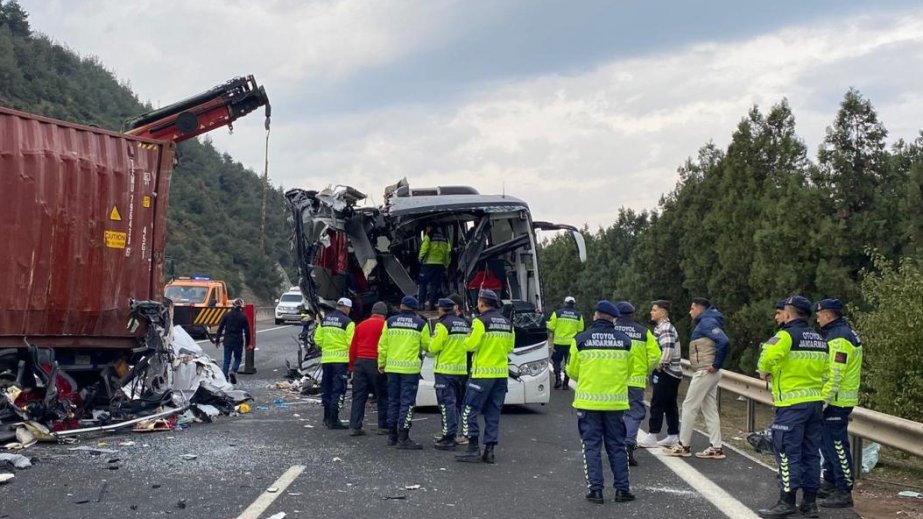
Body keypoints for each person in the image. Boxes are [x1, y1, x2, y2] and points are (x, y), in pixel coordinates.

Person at [755, 296, 829, 519]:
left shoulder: (785, 335)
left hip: (791, 405)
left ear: (789, 313)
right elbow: (827, 372)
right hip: (814, 404)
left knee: (787, 453)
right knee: (811, 454)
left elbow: (765, 360)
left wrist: (765, 371)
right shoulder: (819, 338)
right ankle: (810, 503)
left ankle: (786, 501)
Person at [567, 300, 636, 504]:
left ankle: (595, 491)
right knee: (617, 446)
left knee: (591, 446)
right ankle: (622, 490)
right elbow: (629, 371)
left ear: (596, 315)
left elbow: (572, 370)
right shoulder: (625, 340)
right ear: (613, 318)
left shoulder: (580, 339)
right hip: (615, 404)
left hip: (588, 403)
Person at [664, 297, 729, 459]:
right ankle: (716, 447)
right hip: (709, 372)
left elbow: (724, 341)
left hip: (705, 371)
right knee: (709, 409)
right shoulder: (709, 321)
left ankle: (683, 445)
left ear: (700, 309)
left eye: (692, 308)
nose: (690, 311)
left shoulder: (707, 322)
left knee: (689, 406)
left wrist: (716, 364)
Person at [456, 289, 515, 464]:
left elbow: (470, 345)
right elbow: (510, 348)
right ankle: (489, 451)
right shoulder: (507, 323)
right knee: (493, 413)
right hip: (501, 375)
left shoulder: (480, 322)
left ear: (482, 303)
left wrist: (467, 339)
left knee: (468, 410)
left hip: (482, 375)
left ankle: (473, 447)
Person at [815, 299, 862, 509]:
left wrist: (823, 400)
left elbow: (835, 373)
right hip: (834, 399)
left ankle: (844, 490)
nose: (817, 318)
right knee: (827, 445)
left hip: (837, 400)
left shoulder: (840, 337)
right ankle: (831, 483)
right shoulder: (837, 333)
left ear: (827, 315)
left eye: (819, 315)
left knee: (837, 446)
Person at [378, 295, 431, 449]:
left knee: (393, 401)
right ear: (414, 309)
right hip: (410, 370)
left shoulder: (390, 322)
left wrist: (381, 363)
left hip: (392, 368)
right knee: (407, 404)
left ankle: (392, 436)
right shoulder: (421, 324)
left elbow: (383, 345)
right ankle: (404, 437)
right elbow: (427, 345)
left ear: (401, 306)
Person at [613, 301, 660, 466]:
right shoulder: (643, 332)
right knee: (634, 413)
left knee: (615, 414)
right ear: (633, 314)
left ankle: (616, 448)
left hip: (614, 380)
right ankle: (628, 443)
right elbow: (655, 356)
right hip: (636, 381)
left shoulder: (611, 331)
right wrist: (645, 369)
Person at [427, 298, 472, 450]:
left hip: (445, 371)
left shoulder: (443, 325)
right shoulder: (464, 324)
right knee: (457, 405)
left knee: (447, 405)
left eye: (438, 308)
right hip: (461, 370)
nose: (437, 310)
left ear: (442, 309)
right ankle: (460, 433)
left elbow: (433, 347)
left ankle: (448, 437)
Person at [638, 300, 682, 449]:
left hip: (667, 372)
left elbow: (667, 350)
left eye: (654, 310)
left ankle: (653, 434)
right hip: (671, 372)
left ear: (663, 312)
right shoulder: (661, 328)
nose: (651, 312)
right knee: (670, 404)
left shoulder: (665, 329)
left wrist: (659, 367)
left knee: (657, 403)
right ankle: (673, 435)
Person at [348, 301, 390, 436]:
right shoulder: (385, 325)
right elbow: (386, 346)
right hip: (376, 362)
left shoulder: (361, 325)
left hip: (360, 362)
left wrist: (352, 366)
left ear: (372, 312)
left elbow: (352, 347)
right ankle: (383, 426)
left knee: (359, 396)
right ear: (384, 314)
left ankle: (355, 426)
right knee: (382, 395)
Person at [314, 297, 355, 430]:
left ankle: (326, 418)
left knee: (327, 389)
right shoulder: (348, 322)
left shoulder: (325, 320)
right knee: (339, 390)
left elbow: (318, 339)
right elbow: (351, 343)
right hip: (340, 362)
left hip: (326, 360)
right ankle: (334, 419)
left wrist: (327, 347)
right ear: (346, 308)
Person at [546, 296, 585, 390]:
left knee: (556, 361)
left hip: (558, 343)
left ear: (565, 303)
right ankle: (565, 384)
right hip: (571, 344)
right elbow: (581, 329)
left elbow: (551, 326)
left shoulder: (557, 313)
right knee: (568, 363)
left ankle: (558, 379)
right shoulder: (578, 315)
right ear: (574, 304)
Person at [214, 298, 250, 385]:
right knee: (237, 358)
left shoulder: (227, 315)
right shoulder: (243, 316)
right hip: (238, 340)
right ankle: (233, 371)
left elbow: (221, 327)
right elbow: (247, 331)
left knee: (226, 360)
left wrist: (217, 339)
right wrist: (248, 343)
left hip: (228, 340)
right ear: (241, 306)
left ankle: (224, 377)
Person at [417, 225, 451, 310]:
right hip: (439, 265)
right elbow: (448, 253)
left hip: (428, 264)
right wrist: (446, 265)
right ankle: (430, 304)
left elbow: (424, 248)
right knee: (435, 286)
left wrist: (420, 259)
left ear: (430, 228)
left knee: (422, 284)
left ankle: (421, 304)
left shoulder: (429, 236)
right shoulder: (445, 238)